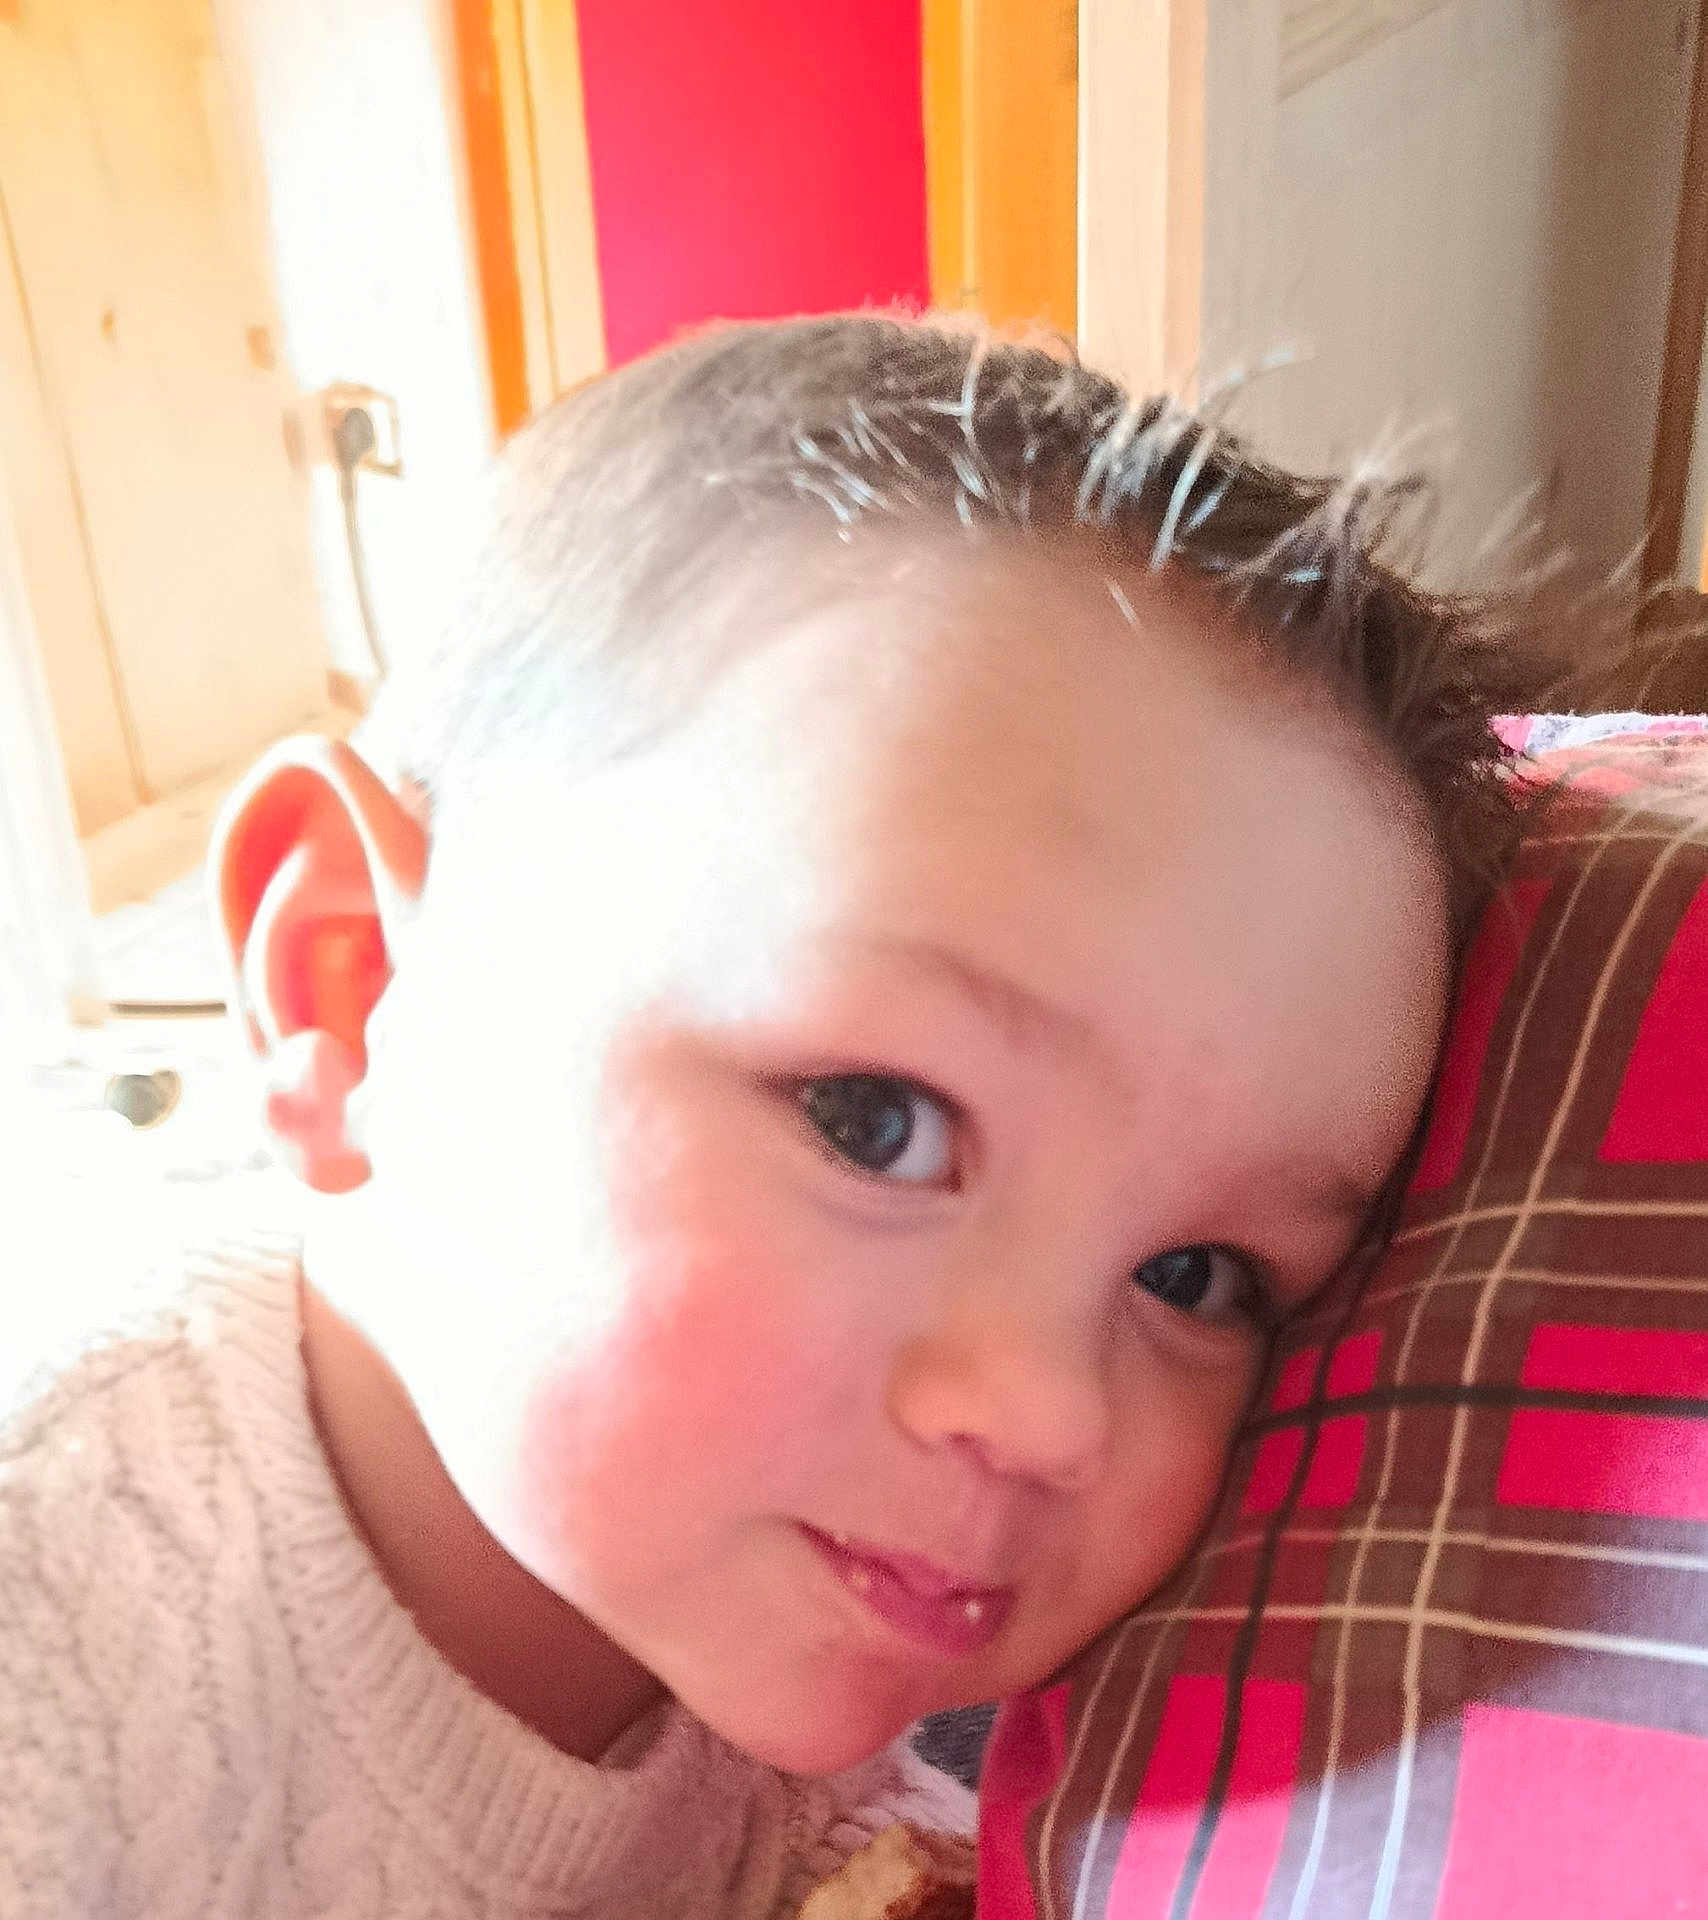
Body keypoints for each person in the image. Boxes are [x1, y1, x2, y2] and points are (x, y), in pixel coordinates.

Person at [0, 314, 1549, 1918]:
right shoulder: (59, 1616)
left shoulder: (728, 1600)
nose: (1046, 1416)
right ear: (356, 985)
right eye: (878, 1121)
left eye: (1197, 1277)